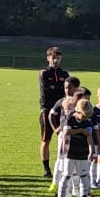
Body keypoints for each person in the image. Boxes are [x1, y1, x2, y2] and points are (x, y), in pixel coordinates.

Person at [38, 47, 70, 178]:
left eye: (58, 58)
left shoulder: (65, 74)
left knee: (65, 138)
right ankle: (46, 169)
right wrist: (60, 90)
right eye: (53, 58)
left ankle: (65, 167)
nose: (56, 60)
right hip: (47, 110)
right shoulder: (44, 73)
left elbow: (70, 91)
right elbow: (47, 91)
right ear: (48, 58)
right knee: (46, 140)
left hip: (62, 110)